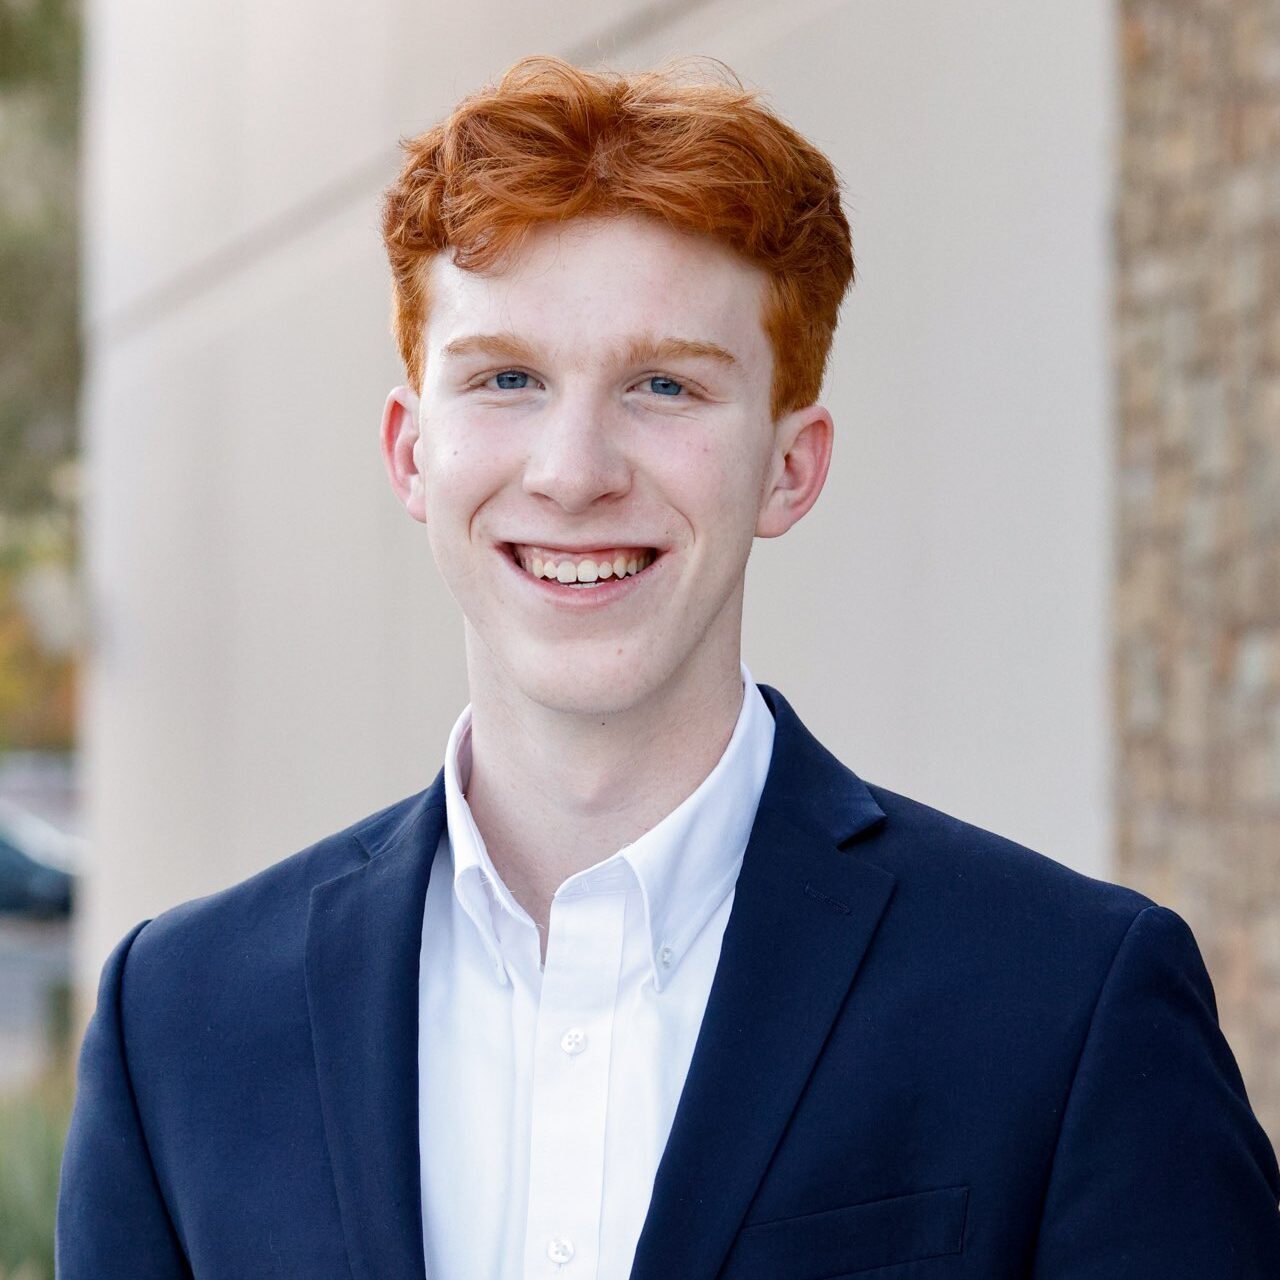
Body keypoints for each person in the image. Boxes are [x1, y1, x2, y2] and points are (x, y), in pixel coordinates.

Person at [57, 55, 1280, 1280]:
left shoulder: (1065, 1003)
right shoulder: (180, 1023)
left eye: (662, 384)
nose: (573, 469)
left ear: (788, 467)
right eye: (506, 378)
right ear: (410, 451)